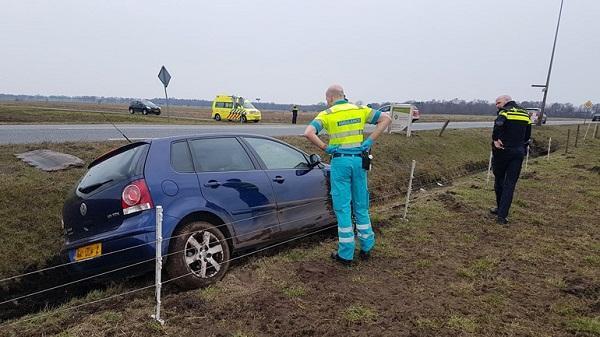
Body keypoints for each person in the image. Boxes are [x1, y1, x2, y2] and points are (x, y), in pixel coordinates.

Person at [303, 84, 392, 265]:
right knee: (361, 204)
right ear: (344, 95)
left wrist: (325, 147)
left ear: (329, 98)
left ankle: (346, 254)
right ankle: (367, 246)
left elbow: (308, 132)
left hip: (340, 162)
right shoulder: (360, 109)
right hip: (359, 161)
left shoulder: (327, 114)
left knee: (342, 206)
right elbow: (386, 118)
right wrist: (368, 141)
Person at [490, 95, 532, 225]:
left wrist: (496, 139)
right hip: (518, 152)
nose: (497, 105)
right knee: (510, 184)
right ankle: (502, 216)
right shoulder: (525, 113)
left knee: (499, 180)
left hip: (503, 151)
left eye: (499, 102)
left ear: (506, 101)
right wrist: (522, 145)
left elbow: (498, 124)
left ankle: (499, 208)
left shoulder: (505, 111)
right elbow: (528, 133)